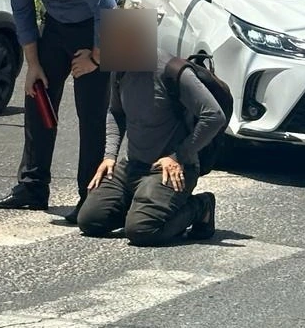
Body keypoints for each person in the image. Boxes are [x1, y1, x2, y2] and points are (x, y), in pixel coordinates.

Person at [0, 0, 122, 224]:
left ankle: (91, 197)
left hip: (105, 24)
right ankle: (32, 187)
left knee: (93, 114)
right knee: (38, 97)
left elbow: (108, 8)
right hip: (58, 24)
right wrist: (32, 65)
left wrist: (96, 59)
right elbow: (22, 11)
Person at [77, 53, 226, 245]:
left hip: (171, 169)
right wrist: (109, 156)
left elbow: (214, 116)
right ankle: (143, 206)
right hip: (132, 165)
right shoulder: (120, 69)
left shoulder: (174, 72)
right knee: (90, 221)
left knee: (143, 231)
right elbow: (115, 112)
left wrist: (178, 155)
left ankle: (200, 206)